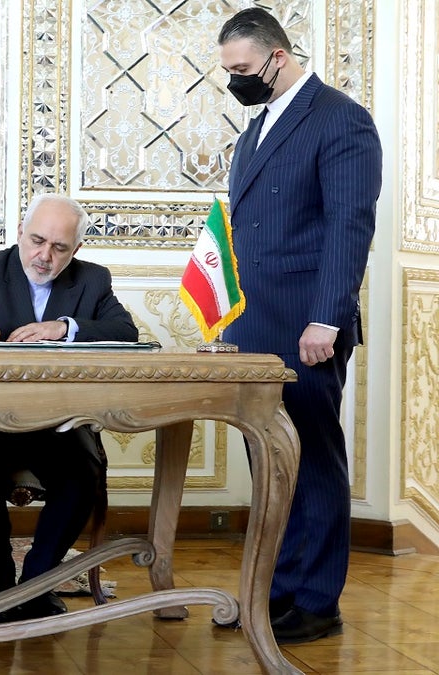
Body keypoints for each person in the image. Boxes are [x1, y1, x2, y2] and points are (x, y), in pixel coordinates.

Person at [217, 8, 381, 644]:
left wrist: (327, 319)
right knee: (272, 464)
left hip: (308, 330)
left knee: (311, 461)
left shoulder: (341, 119)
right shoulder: (258, 127)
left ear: (276, 58)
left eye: (241, 70)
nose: (234, 81)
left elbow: (348, 225)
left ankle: (317, 601)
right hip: (256, 327)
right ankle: (278, 593)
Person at [0, 193, 137, 623]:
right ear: (19, 232)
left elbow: (125, 332)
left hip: (56, 423)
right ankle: (0, 585)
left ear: (76, 250)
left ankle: (38, 583)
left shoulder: (92, 280)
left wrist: (66, 328)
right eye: (37, 240)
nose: (44, 255)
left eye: (59, 248)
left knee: (82, 475)